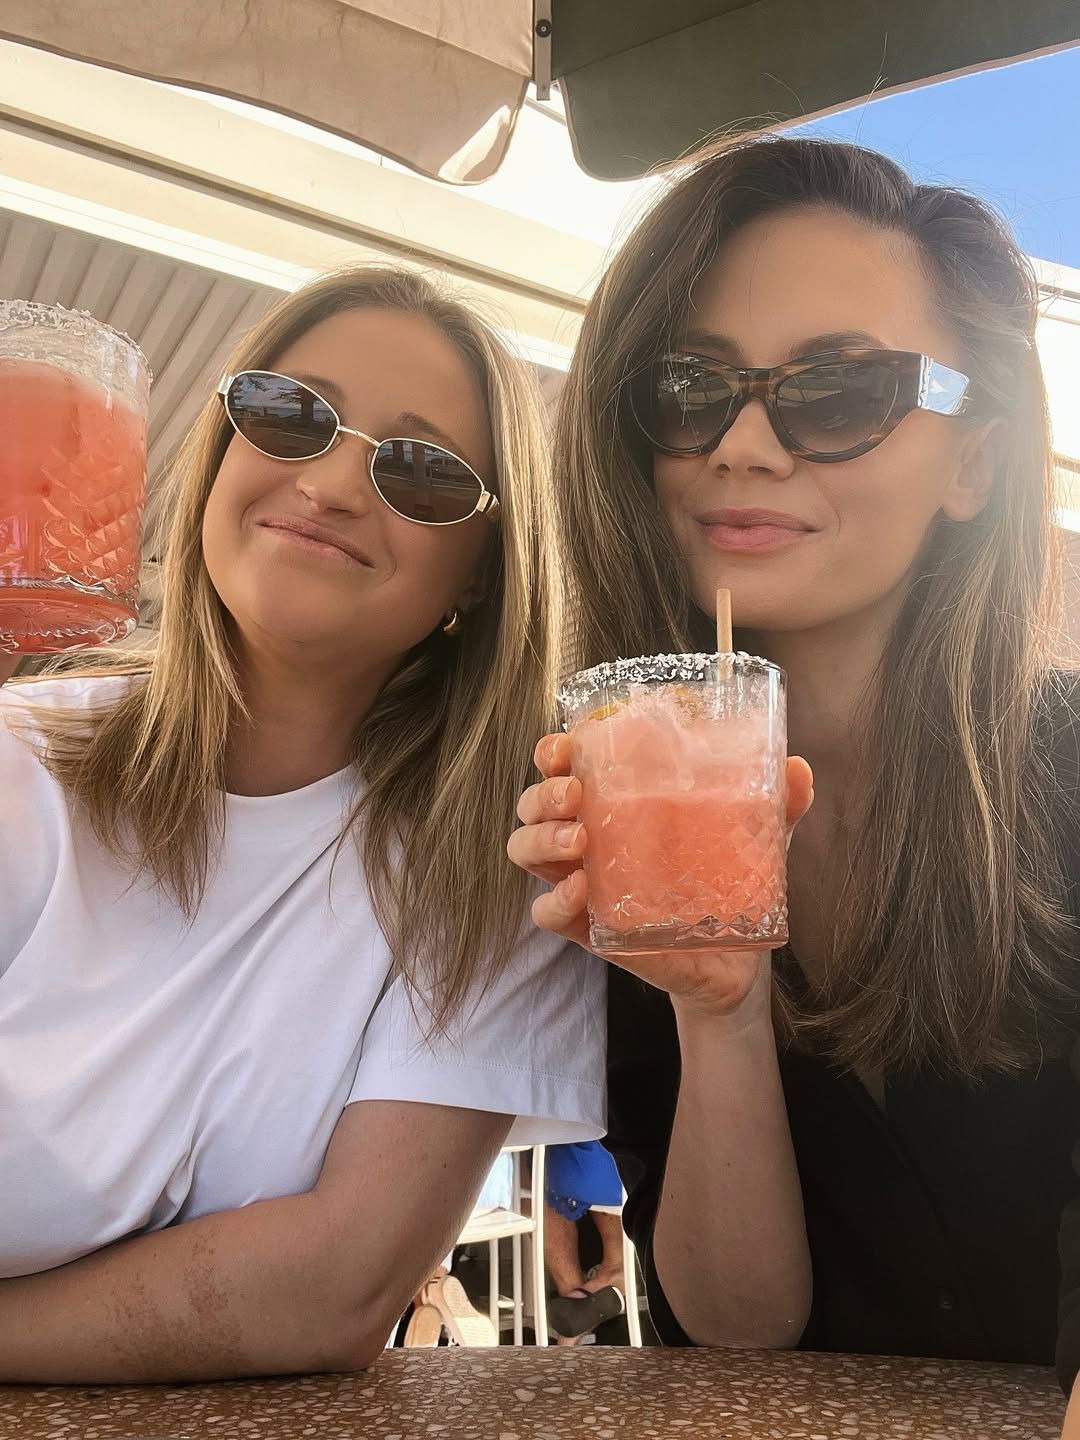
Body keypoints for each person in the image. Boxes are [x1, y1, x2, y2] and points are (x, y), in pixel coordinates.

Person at [507, 133, 1080, 1415]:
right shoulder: (617, 816)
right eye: (691, 387)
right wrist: (719, 1014)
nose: (746, 445)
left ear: (974, 463)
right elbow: (741, 1334)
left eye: (837, 390)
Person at [0, 265, 605, 1383]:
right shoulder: (18, 760)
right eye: (289, 414)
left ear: (481, 574)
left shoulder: (506, 868)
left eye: (420, 469)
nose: (328, 484)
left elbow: (334, 1288)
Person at [544, 1140, 627, 1344]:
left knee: (533, 1170)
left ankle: (571, 1296)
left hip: (564, 1170)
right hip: (609, 1170)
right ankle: (612, 1272)